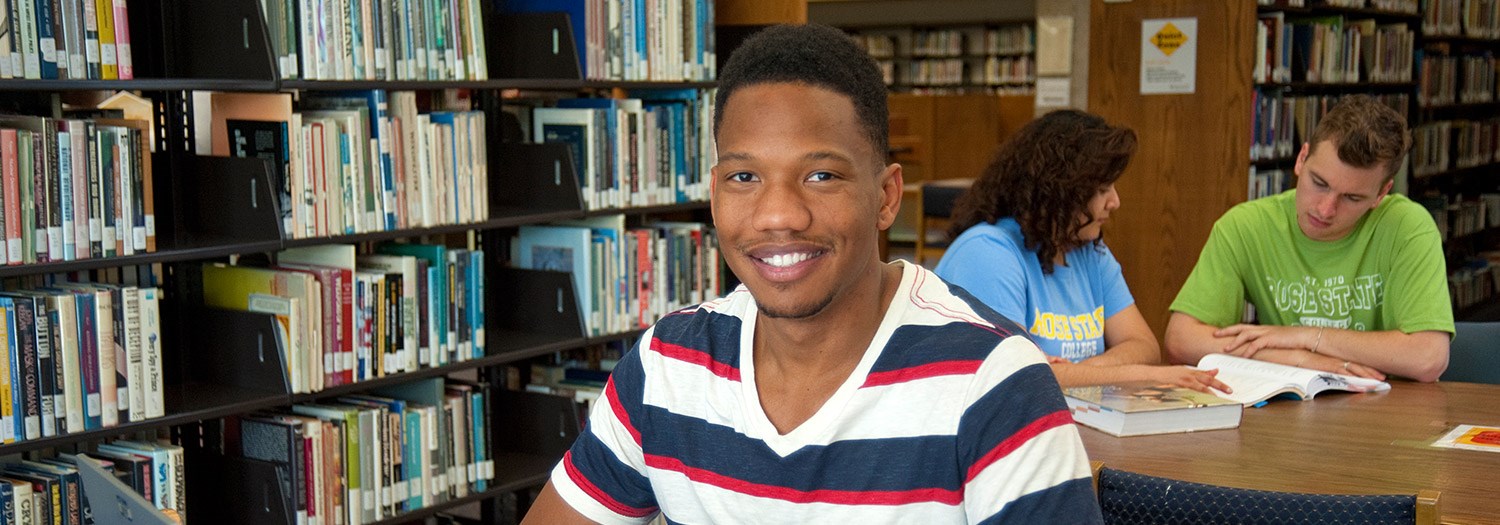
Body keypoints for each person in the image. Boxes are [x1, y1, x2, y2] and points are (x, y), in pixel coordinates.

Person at [520, 24, 1102, 524]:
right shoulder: (668, 366)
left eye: (821, 176)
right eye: (744, 178)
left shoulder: (995, 384)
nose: (779, 216)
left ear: (885, 196)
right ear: (715, 194)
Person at [934, 110, 1229, 394]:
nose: (1115, 201)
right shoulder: (987, 253)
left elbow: (1143, 345)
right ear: (1058, 190)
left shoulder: (1087, 250)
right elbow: (1016, 377)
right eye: (1101, 190)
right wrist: (1147, 375)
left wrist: (1076, 373)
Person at [1165, 94, 1451, 382]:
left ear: (1381, 194)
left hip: (1388, 407)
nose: (1325, 209)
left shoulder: (1408, 228)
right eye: (1319, 183)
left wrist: (1305, 337)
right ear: (1302, 159)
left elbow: (1428, 358)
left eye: (1352, 197)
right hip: (1293, 403)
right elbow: (1181, 339)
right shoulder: (1245, 226)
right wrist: (1295, 358)